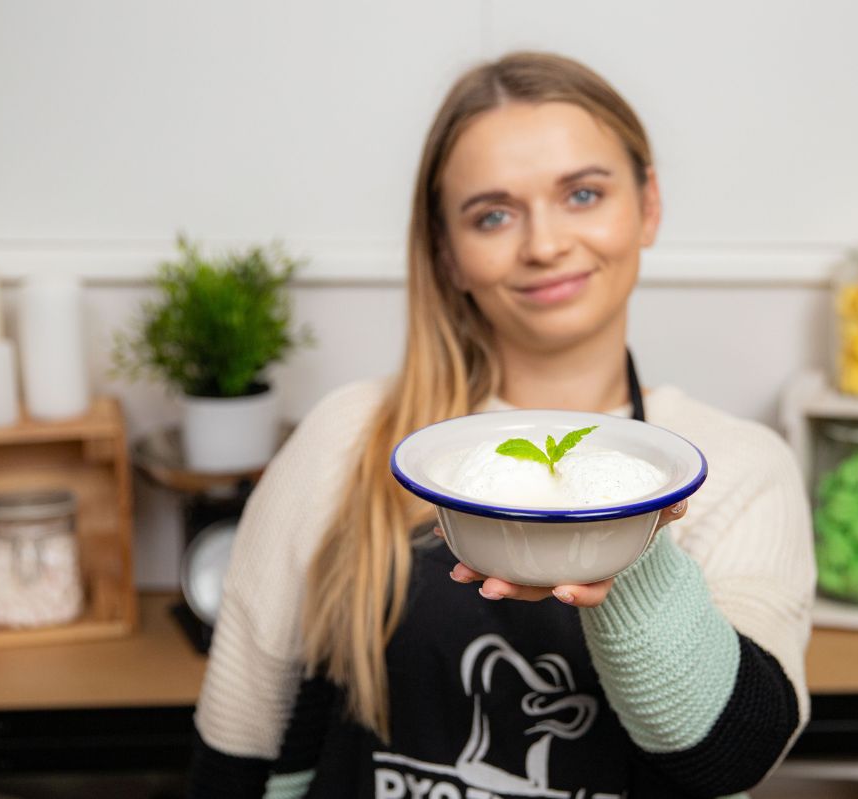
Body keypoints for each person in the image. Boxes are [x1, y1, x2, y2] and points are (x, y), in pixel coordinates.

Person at [190, 51, 815, 799]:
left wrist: (628, 555)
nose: (544, 244)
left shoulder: (734, 467)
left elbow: (733, 755)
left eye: (583, 194)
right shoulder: (349, 438)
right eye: (493, 214)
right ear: (448, 252)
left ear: (648, 205)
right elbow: (238, 748)